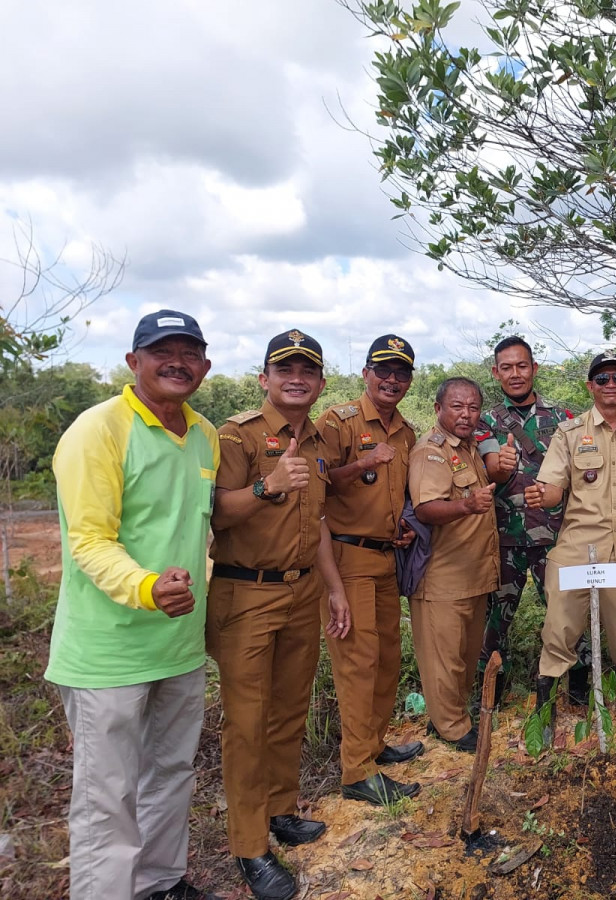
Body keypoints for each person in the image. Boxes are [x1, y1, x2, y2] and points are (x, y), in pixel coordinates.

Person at [46, 310, 217, 900]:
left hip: (179, 645)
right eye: (161, 351)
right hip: (109, 651)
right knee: (106, 798)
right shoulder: (98, 430)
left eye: (189, 352)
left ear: (206, 365)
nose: (177, 362)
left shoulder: (204, 434)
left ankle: (162, 882)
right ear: (133, 361)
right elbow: (90, 539)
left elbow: (196, 531)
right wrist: (146, 587)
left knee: (171, 773)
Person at [207, 330, 352, 900]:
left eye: (308, 370)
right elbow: (216, 514)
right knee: (246, 723)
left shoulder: (316, 439)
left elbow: (314, 522)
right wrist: (266, 487)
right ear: (264, 377)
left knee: (289, 708)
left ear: (319, 383)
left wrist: (335, 588)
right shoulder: (236, 435)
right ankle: (249, 846)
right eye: (284, 367)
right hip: (246, 594)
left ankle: (281, 810)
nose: (297, 377)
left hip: (301, 592)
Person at [526, 351, 616, 733]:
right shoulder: (569, 433)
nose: (611, 385)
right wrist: (543, 495)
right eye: (602, 379)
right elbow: (554, 488)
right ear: (590, 386)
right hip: (577, 551)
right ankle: (545, 714)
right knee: (559, 631)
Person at [317, 334, 424, 805]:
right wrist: (362, 461)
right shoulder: (338, 420)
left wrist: (401, 525)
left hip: (386, 556)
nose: (392, 379)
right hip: (346, 557)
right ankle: (356, 771)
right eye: (383, 370)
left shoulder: (406, 430)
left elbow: (396, 494)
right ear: (365, 373)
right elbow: (316, 482)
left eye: (401, 372)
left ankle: (375, 747)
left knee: (386, 659)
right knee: (358, 663)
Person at [474, 335, 585, 708]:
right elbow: (487, 471)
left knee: (567, 613)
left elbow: (580, 472)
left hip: (555, 538)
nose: (515, 374)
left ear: (534, 368)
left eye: (522, 365)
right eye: (507, 367)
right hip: (504, 540)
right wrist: (500, 468)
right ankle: (491, 697)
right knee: (494, 623)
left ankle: (580, 691)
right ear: (496, 372)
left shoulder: (564, 419)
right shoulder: (484, 421)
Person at [407, 377, 500, 752]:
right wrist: (466, 505)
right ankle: (452, 728)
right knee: (443, 660)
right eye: (457, 406)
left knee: (463, 657)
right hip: (443, 578)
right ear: (438, 409)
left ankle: (454, 717)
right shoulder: (431, 452)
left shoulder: (469, 448)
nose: (466, 414)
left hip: (473, 574)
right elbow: (426, 508)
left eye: (473, 407)